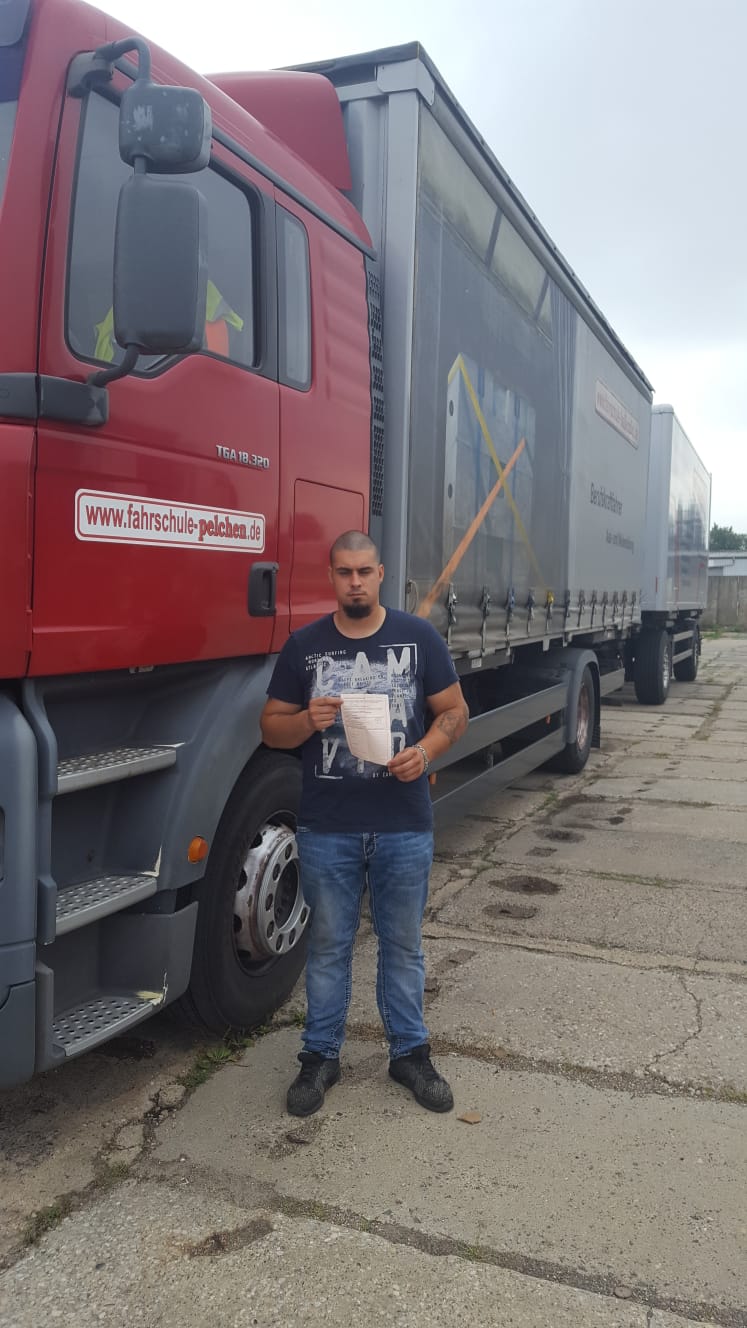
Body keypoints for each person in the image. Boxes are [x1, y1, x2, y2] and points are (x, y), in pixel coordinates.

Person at [260, 531, 469, 1117]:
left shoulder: (418, 637)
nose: (355, 582)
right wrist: (306, 719)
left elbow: (455, 712)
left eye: (364, 571)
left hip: (403, 825)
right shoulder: (304, 647)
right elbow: (270, 728)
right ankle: (320, 1057)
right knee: (328, 945)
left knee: (402, 944)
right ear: (331, 576)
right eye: (344, 572)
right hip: (328, 827)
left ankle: (409, 1053)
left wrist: (424, 753)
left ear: (380, 574)